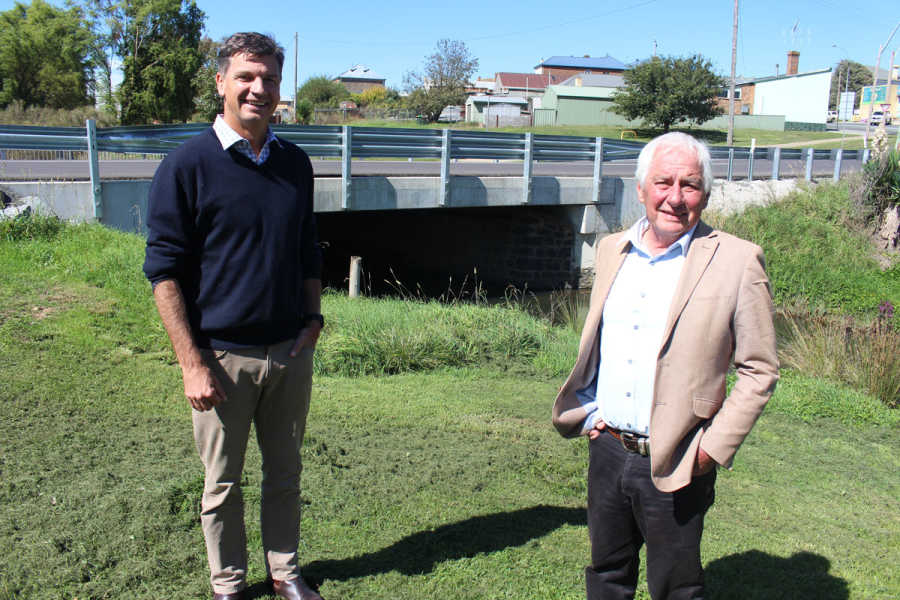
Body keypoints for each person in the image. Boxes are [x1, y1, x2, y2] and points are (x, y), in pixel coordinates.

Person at [552, 132, 778, 600]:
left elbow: (760, 370)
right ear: (641, 189)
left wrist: (711, 449)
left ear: (706, 193)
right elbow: (601, 341)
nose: (675, 198)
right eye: (663, 182)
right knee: (607, 573)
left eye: (690, 185)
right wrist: (594, 413)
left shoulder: (737, 260)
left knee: (675, 586)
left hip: (679, 457)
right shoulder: (613, 249)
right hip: (608, 448)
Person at [143, 32, 324, 600]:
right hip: (221, 358)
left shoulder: (295, 164)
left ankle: (285, 573)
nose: (258, 88)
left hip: (288, 353)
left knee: (285, 475)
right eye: (246, 76)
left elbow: (306, 250)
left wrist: (313, 318)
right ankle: (229, 584)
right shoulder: (187, 165)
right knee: (222, 482)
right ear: (220, 81)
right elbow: (164, 272)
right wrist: (190, 362)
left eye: (269, 78)